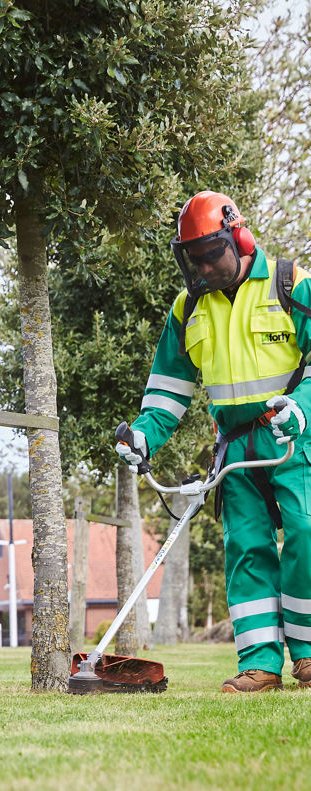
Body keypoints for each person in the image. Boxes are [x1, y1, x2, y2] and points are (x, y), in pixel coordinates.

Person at [116, 190, 311, 692]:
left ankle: (309, 656)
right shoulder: (189, 309)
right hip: (235, 446)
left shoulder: (293, 285)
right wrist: (143, 436)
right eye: (193, 258)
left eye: (210, 254)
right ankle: (260, 664)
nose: (202, 266)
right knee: (246, 550)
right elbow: (167, 391)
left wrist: (301, 409)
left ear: (238, 237)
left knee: (306, 540)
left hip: (291, 440)